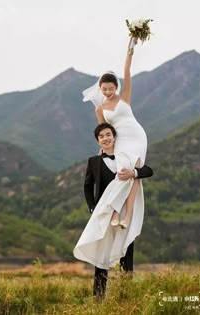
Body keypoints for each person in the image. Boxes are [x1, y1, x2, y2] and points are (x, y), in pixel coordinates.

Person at [74, 37, 148, 270]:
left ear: (116, 86)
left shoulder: (124, 97)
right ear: (100, 89)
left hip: (136, 136)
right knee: (121, 173)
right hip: (120, 141)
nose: (108, 92)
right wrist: (103, 148)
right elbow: (104, 131)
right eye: (104, 89)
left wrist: (131, 44)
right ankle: (115, 213)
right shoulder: (99, 108)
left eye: (111, 88)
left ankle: (125, 216)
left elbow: (127, 68)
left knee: (132, 173)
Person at [84, 123, 153, 299]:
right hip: (104, 213)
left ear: (114, 137)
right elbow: (87, 186)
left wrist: (133, 173)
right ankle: (98, 298)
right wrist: (93, 208)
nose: (105, 138)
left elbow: (148, 170)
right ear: (98, 141)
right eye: (101, 136)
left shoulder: (127, 157)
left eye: (108, 134)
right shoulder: (93, 161)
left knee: (127, 252)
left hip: (125, 213)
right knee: (102, 254)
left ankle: (126, 295)